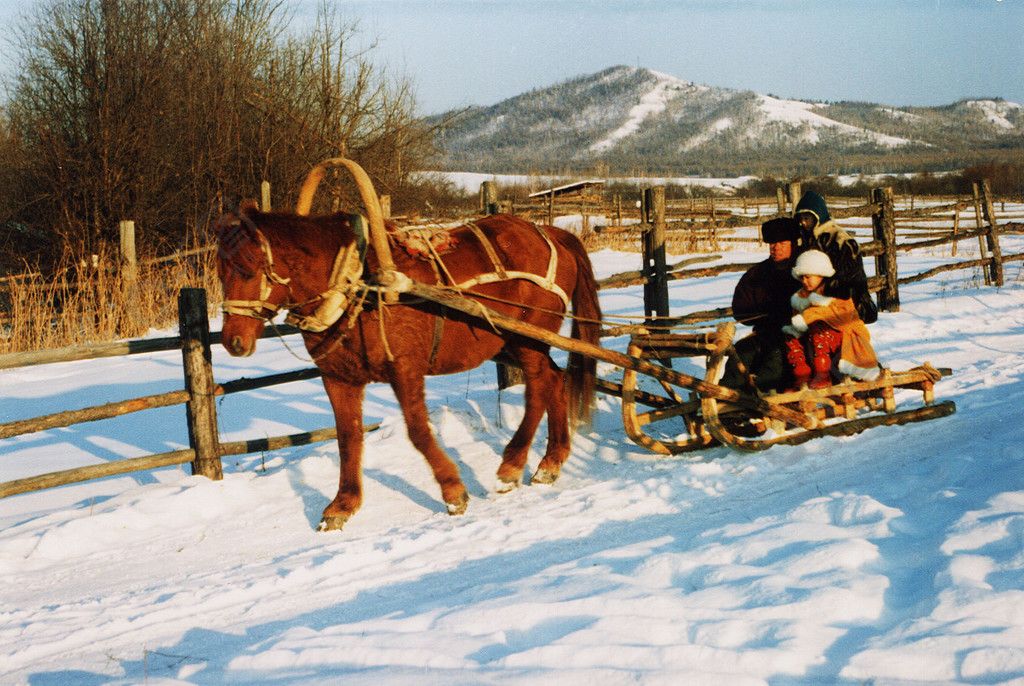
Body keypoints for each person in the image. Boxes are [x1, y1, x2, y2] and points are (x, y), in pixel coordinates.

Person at [719, 216, 802, 393]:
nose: (776, 248)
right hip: (764, 334)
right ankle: (724, 395)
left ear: (793, 244)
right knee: (741, 352)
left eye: (782, 243)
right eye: (772, 243)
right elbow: (741, 309)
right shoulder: (757, 274)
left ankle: (759, 394)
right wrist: (761, 311)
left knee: (774, 361)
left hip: (794, 336)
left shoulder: (803, 271)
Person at [782, 249, 880, 389]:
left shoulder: (836, 292)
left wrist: (811, 315)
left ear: (821, 275)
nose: (804, 281)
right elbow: (797, 318)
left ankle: (823, 373)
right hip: (812, 341)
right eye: (802, 277)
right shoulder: (802, 296)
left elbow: (841, 316)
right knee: (790, 333)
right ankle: (801, 373)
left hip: (841, 335)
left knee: (819, 325)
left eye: (808, 277)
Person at [793, 191, 878, 325]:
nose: (803, 222)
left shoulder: (839, 241)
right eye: (801, 218)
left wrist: (820, 292)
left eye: (807, 218)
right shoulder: (808, 239)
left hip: (846, 305)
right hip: (820, 303)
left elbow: (848, 279)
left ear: (818, 216)